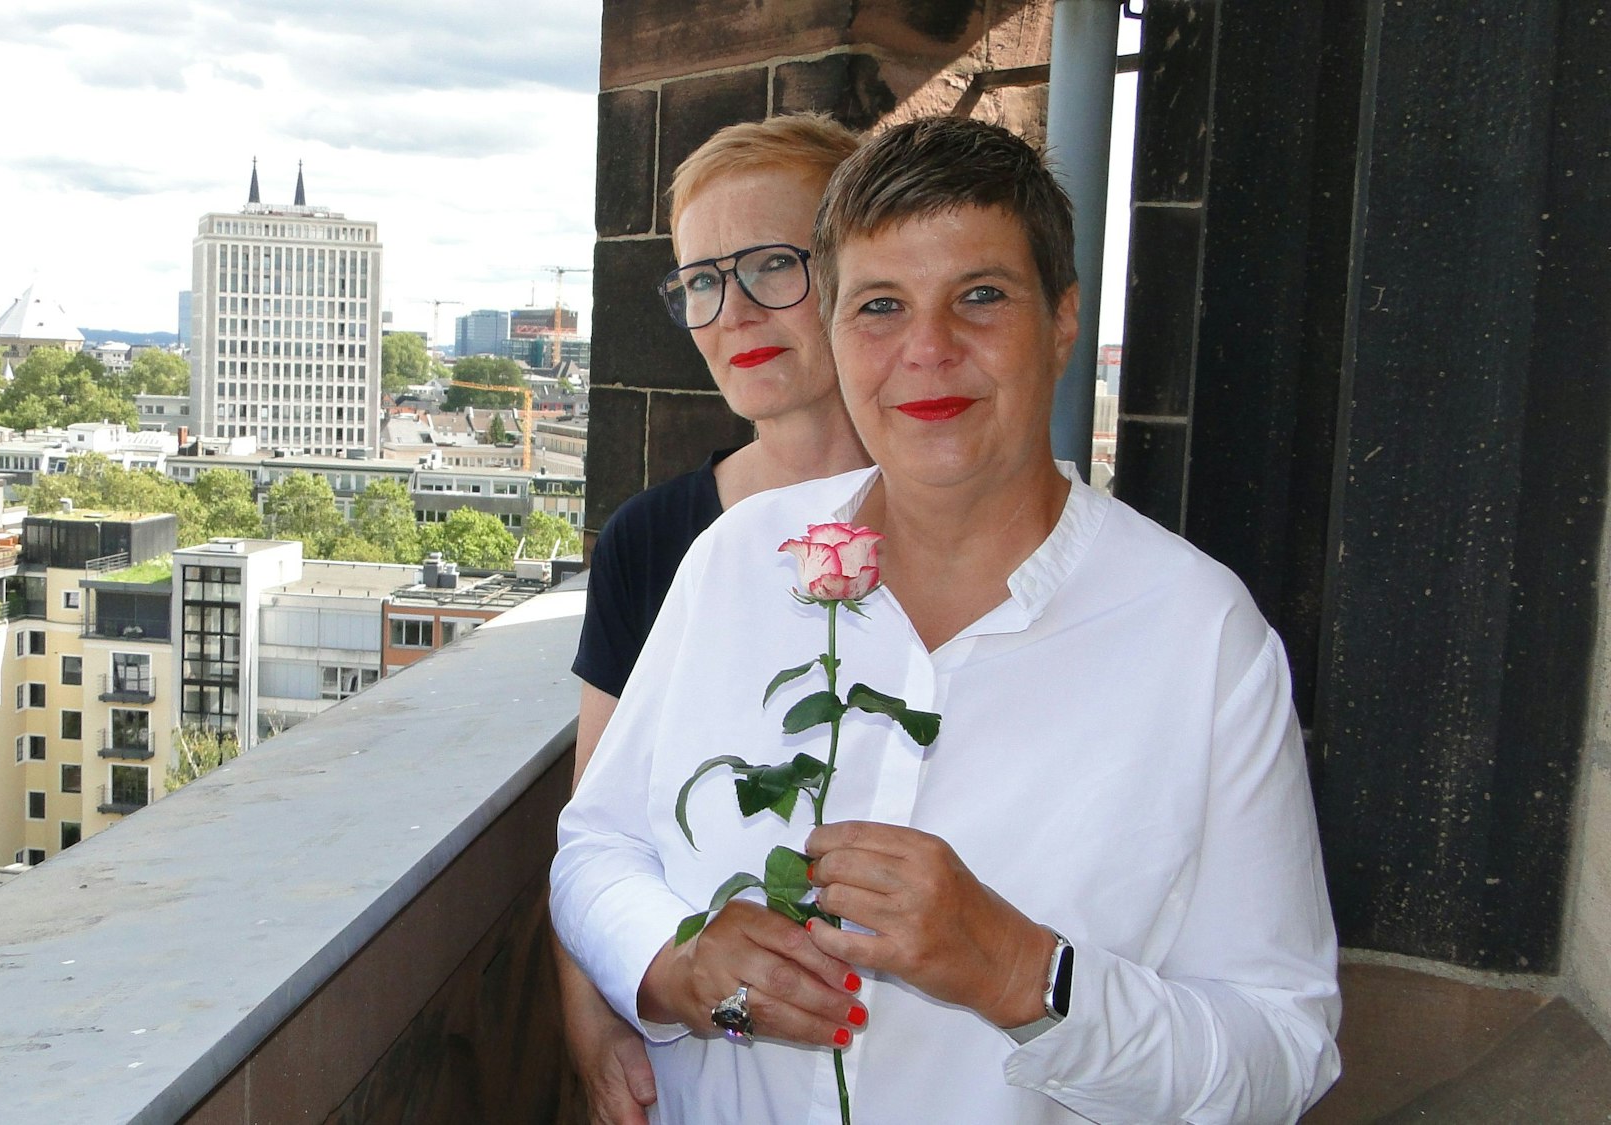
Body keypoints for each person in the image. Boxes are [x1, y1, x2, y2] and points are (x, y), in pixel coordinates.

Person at [551, 116, 1341, 1123]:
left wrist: (1021, 971)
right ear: (836, 332)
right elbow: (599, 844)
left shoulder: (1201, 637)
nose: (927, 349)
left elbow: (1283, 1049)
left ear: (1062, 321)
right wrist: (672, 962)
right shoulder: (738, 560)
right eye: (880, 306)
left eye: (979, 296)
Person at [563, 113, 874, 1125]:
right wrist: (596, 1021)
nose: (731, 310)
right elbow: (596, 825)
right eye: (701, 280)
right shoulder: (651, 540)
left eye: (772, 264)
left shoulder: (952, 527)